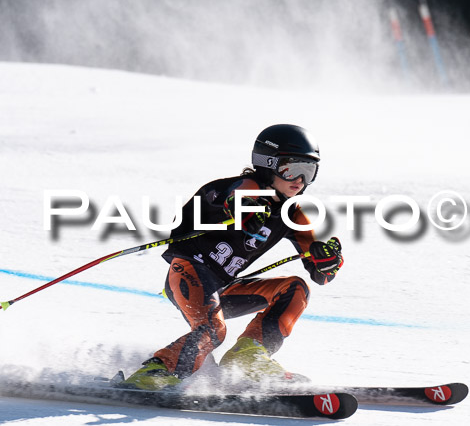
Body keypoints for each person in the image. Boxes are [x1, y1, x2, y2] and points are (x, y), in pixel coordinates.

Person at [121, 124, 344, 390]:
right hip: (188, 273)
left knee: (296, 288)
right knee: (214, 329)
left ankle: (247, 356)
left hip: (223, 288)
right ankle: (155, 372)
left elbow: (321, 275)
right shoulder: (243, 187)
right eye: (291, 169)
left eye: (309, 171)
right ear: (268, 164)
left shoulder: (292, 215)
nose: (299, 179)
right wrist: (244, 208)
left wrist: (327, 260)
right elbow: (231, 197)